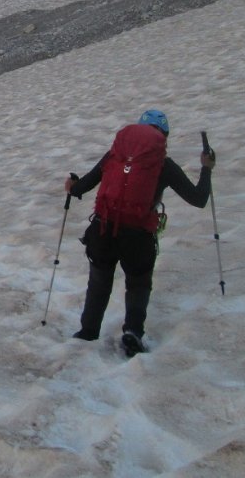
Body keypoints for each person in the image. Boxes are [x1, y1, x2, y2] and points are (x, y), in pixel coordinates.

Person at [64, 109, 216, 355]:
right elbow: (198, 199)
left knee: (99, 281)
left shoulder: (114, 156)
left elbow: (82, 186)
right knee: (138, 283)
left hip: (103, 230)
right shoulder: (163, 165)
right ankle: (133, 333)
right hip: (138, 236)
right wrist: (206, 168)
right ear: (163, 137)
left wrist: (72, 185)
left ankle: (87, 332)